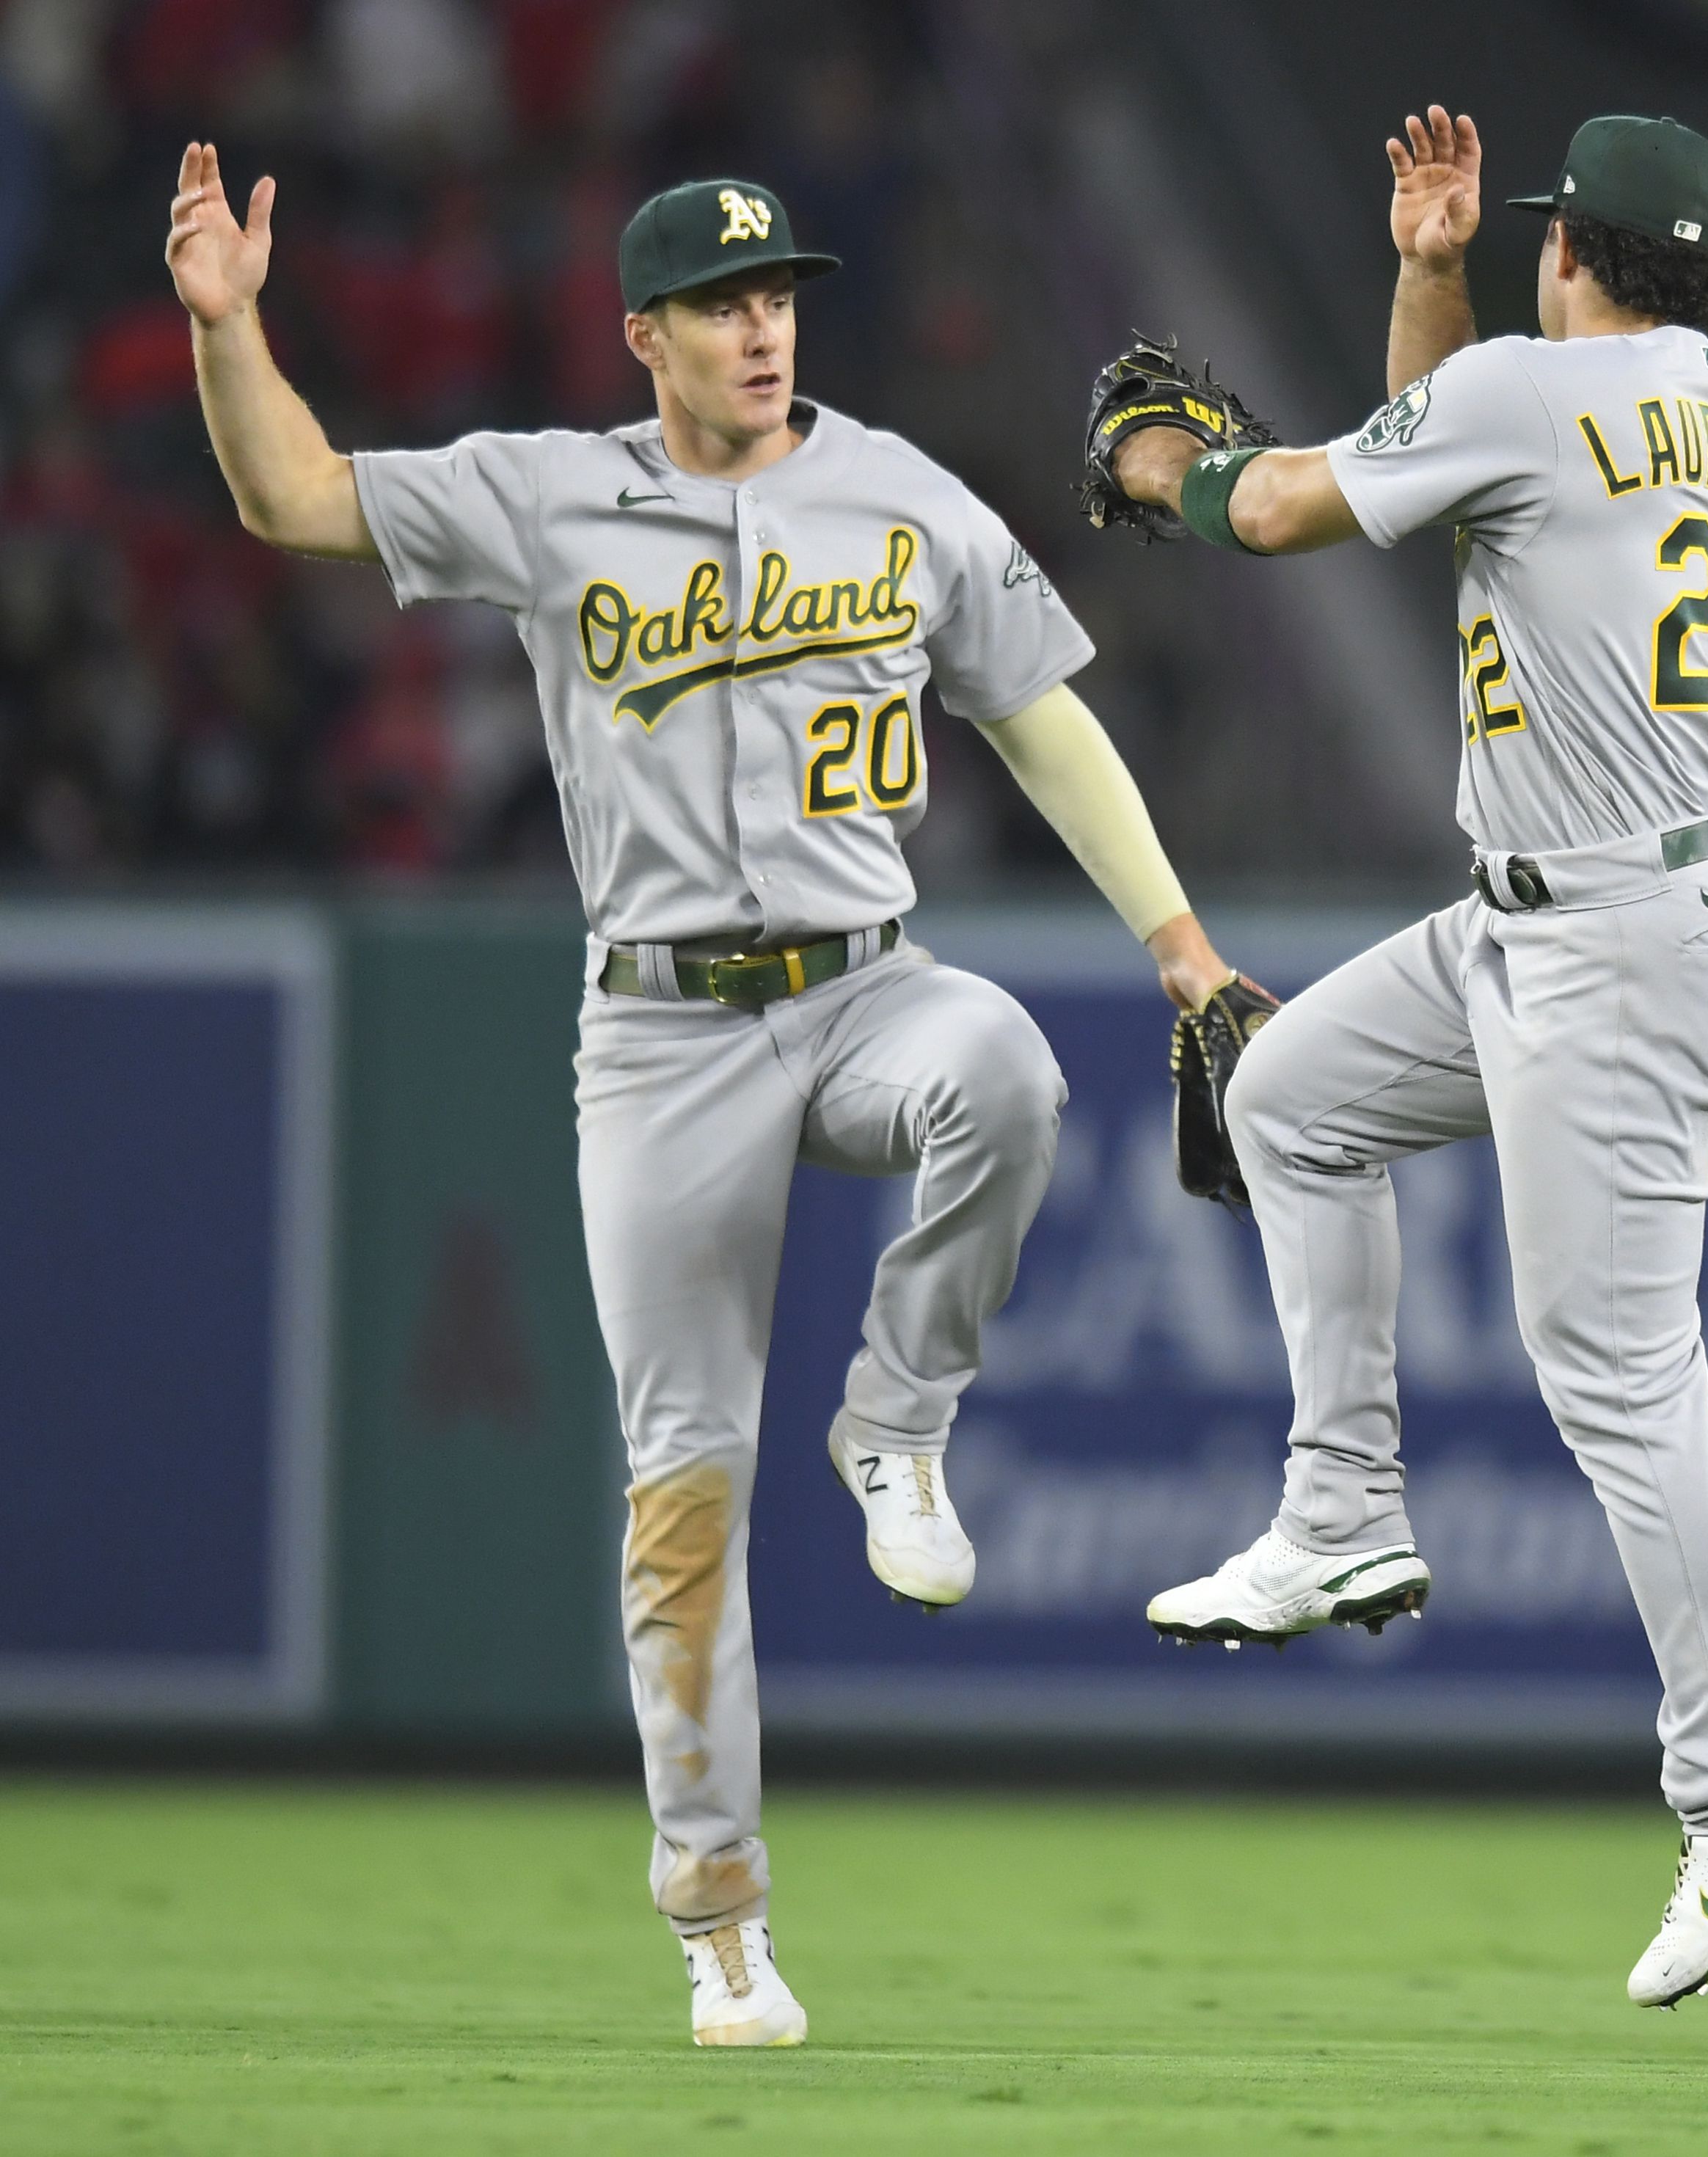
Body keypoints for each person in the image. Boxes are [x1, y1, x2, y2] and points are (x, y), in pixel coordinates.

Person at [166, 147, 1246, 2047]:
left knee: (1003, 1062)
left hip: (864, 986)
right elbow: (295, 497)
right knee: (683, 1497)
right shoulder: (555, 493)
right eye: (724, 304)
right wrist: (230, 328)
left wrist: (1171, 935)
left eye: (782, 296)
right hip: (660, 1036)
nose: (764, 327)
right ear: (644, 331)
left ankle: (898, 1420)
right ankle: (721, 1925)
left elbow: (1041, 709)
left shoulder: (895, 491)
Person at [1105, 109, 1708, 2009]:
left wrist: (1164, 468)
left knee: (1614, 1374)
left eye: (1522, 240)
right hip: (1565, 915)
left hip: (1611, 938)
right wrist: (1425, 279)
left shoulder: (1538, 390)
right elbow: (1443, 463)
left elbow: (1288, 506)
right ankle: (1341, 1512)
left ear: (1571, 249)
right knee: (1284, 1098)